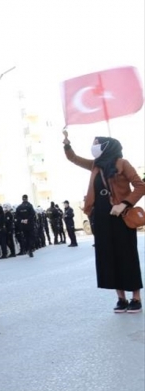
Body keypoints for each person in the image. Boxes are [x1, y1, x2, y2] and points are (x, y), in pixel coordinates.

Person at [63, 134, 145, 313]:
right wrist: (67, 145)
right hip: (101, 217)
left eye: (96, 144)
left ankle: (136, 298)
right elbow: (74, 159)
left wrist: (124, 203)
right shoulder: (95, 165)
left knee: (127, 254)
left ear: (107, 146)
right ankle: (121, 298)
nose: (93, 147)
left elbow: (141, 186)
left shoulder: (122, 163)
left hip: (121, 216)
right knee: (109, 256)